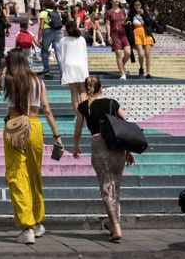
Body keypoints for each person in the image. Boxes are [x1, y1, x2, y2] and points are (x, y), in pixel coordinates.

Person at [0, 50, 61, 245]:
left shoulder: (8, 79)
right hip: (35, 125)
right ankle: (37, 222)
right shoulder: (38, 81)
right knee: (34, 174)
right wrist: (57, 136)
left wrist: (2, 66)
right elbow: (47, 109)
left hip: (15, 124)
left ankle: (26, 225)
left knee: (17, 174)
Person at [72, 76, 134, 243]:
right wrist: (129, 149)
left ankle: (116, 226)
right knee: (116, 188)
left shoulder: (84, 106)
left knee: (107, 187)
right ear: (101, 87)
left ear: (85, 89)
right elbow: (125, 124)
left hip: (99, 146)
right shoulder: (112, 103)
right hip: (117, 146)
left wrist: (76, 146)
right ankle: (114, 225)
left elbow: (77, 129)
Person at [59, 19, 89, 104]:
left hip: (69, 66)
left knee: (74, 93)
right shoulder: (82, 39)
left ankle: (78, 114)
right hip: (82, 66)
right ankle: (84, 114)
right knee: (83, 92)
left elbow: (62, 57)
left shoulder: (63, 40)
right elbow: (85, 55)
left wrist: (63, 72)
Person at [130, 0, 157, 79]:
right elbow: (128, 21)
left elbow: (150, 22)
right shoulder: (132, 14)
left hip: (146, 34)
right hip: (137, 34)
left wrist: (143, 14)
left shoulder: (145, 13)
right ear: (133, 6)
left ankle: (148, 73)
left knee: (147, 53)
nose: (137, 6)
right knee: (141, 54)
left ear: (141, 5)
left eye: (139, 4)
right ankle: (141, 67)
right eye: (135, 5)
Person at [104, 0, 130, 80]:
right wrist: (108, 36)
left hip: (123, 34)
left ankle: (120, 66)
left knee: (128, 53)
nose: (117, 0)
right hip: (114, 35)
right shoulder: (108, 12)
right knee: (118, 54)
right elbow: (107, 25)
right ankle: (123, 73)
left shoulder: (123, 11)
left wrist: (127, 23)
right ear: (111, 1)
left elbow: (124, 22)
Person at [38, 0, 63, 80]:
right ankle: (63, 73)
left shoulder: (43, 13)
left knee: (44, 51)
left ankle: (47, 70)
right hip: (58, 32)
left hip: (47, 32)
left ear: (44, 5)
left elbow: (41, 27)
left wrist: (39, 38)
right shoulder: (56, 12)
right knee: (59, 54)